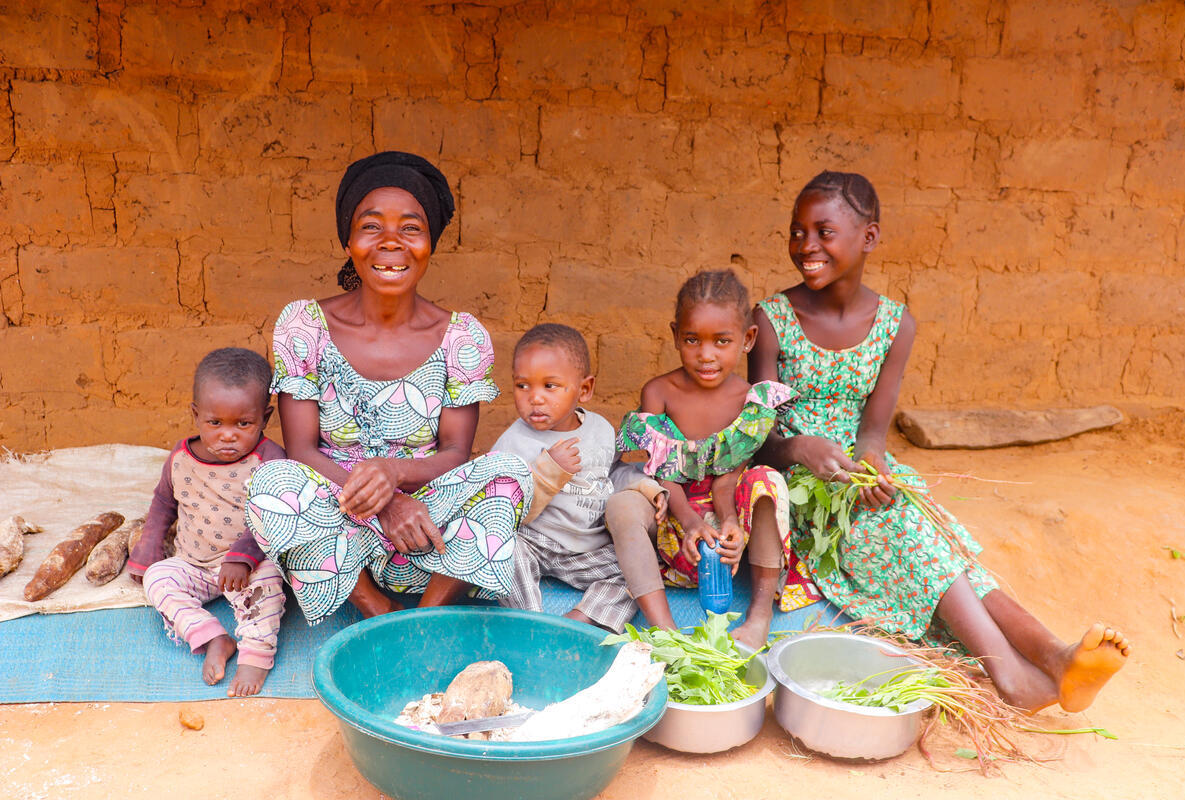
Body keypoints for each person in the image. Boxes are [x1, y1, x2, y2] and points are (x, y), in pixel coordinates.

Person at [751, 170, 1130, 712]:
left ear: (869, 237)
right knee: (903, 526)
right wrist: (800, 449)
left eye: (823, 232)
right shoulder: (772, 319)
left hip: (861, 476)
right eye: (796, 232)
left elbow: (874, 431)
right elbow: (755, 442)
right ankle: (1020, 675)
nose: (805, 246)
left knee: (936, 531)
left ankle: (1051, 656)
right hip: (800, 487)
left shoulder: (894, 325)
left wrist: (873, 465)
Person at [244, 151, 532, 624]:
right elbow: (301, 449)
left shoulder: (462, 336)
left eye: (411, 228)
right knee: (270, 483)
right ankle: (375, 611)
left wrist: (396, 476)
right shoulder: (304, 326)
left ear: (429, 244)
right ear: (351, 241)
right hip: (335, 530)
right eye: (372, 226)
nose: (391, 242)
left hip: (427, 531)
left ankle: (424, 615)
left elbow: (456, 454)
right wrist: (385, 504)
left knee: (508, 473)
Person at [614, 269, 820, 648]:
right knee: (622, 505)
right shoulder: (659, 392)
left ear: (747, 340)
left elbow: (730, 475)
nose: (706, 355)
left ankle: (759, 616)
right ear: (675, 334)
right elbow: (663, 474)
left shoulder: (749, 401)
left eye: (722, 341)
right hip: (672, 530)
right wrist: (691, 523)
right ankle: (664, 629)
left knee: (768, 481)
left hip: (727, 545)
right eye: (692, 340)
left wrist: (729, 521)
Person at [129, 348, 286, 697]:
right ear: (196, 415)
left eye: (243, 424)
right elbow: (163, 502)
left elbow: (277, 514)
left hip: (247, 566)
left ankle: (256, 655)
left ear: (265, 417)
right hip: (194, 564)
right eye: (215, 423)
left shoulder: (270, 459)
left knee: (269, 586)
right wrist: (149, 546)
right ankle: (213, 636)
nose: (227, 435)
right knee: (158, 579)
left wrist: (243, 555)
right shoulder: (181, 458)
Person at [491, 323, 667, 632]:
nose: (535, 398)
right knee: (503, 548)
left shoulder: (598, 430)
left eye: (550, 386)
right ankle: (531, 623)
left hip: (585, 548)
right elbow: (501, 512)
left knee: (638, 570)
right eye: (522, 386)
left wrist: (647, 487)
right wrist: (548, 473)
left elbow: (610, 473)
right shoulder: (513, 442)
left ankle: (584, 618)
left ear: (584, 389)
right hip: (534, 540)